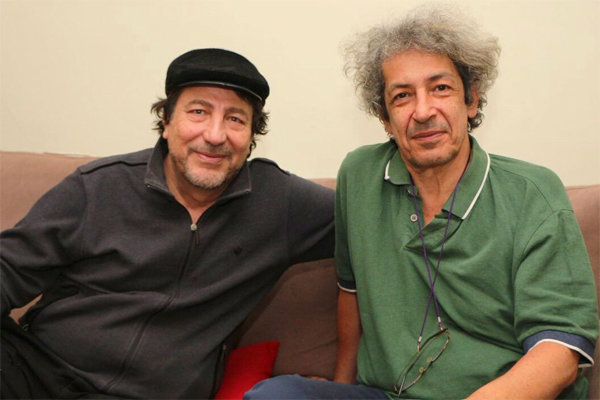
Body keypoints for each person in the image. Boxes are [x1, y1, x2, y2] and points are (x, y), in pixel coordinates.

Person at [244, 6, 598, 400]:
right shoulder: (360, 175)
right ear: (385, 118)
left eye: (441, 88)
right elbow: (351, 292)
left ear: (471, 100)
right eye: (402, 96)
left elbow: (559, 354)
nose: (424, 111)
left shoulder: (532, 191)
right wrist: (343, 389)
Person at [1, 48, 335, 399]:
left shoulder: (281, 203)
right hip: (35, 370)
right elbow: (8, 267)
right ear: (166, 122)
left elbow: (367, 217)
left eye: (235, 119)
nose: (215, 135)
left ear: (252, 136)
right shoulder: (97, 186)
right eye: (198, 112)